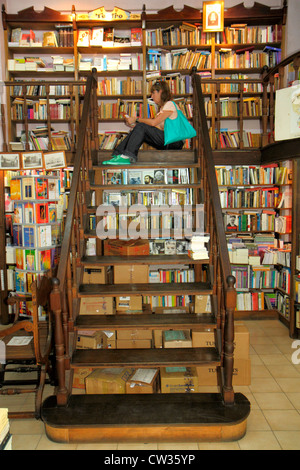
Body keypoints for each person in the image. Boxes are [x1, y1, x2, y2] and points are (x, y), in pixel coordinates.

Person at [103, 80, 184, 165]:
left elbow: (153, 123)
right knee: (140, 128)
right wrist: (134, 127)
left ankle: (126, 156)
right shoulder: (163, 108)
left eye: (153, 93)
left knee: (141, 126)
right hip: (168, 140)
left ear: (160, 92)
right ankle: (118, 155)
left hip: (174, 142)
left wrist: (136, 120)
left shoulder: (170, 104)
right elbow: (155, 128)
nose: (152, 96)